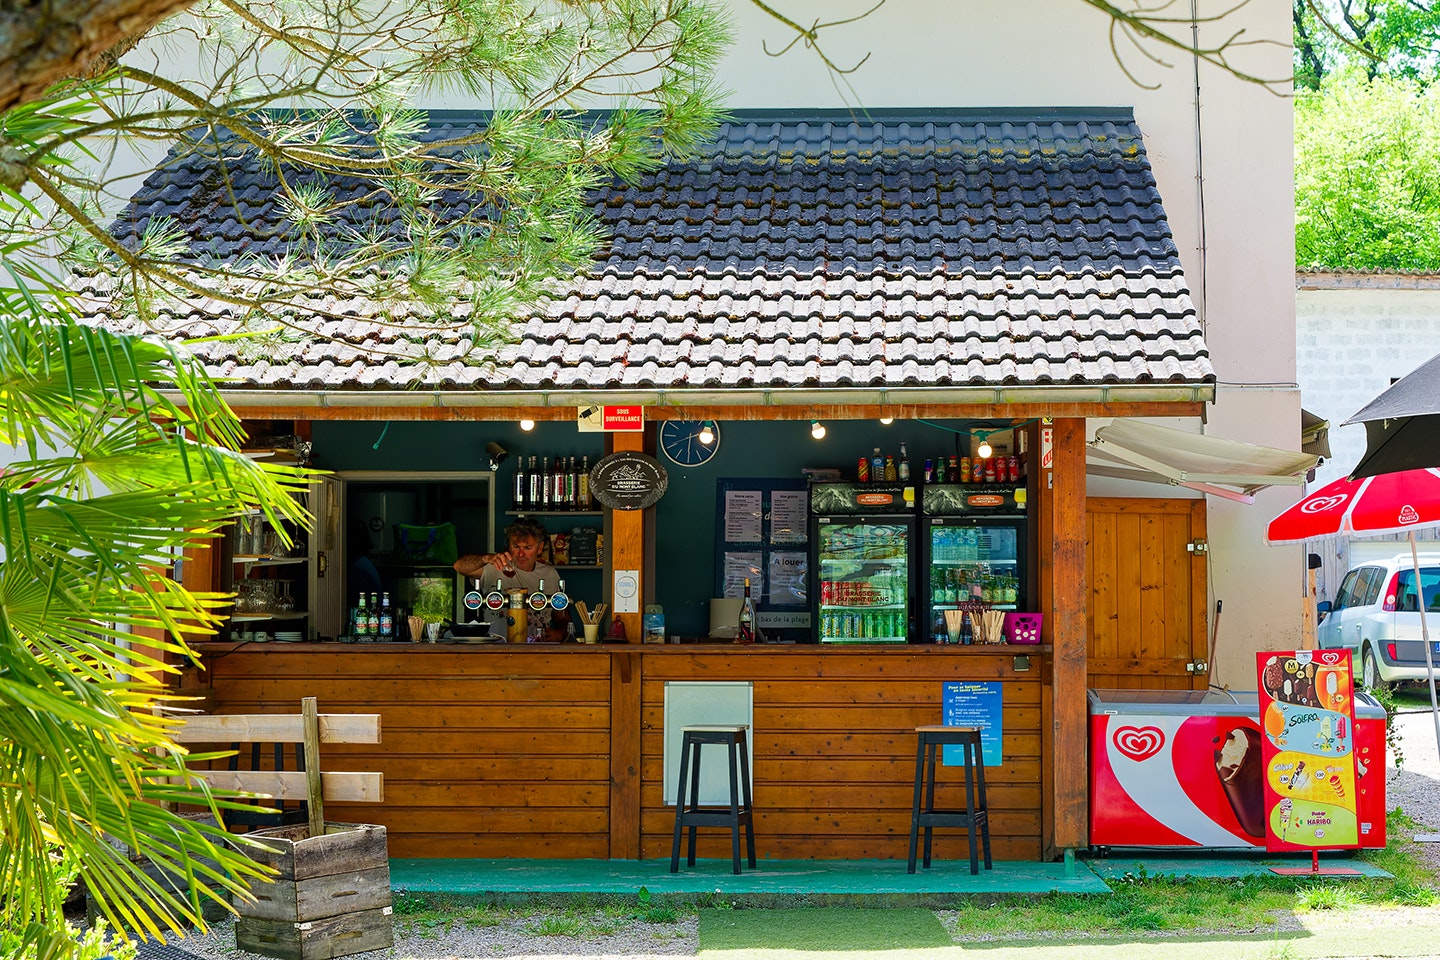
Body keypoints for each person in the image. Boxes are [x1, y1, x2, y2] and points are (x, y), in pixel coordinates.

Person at [455, 517, 571, 642]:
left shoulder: (550, 574)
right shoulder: (495, 567)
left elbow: (562, 617)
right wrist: (485, 559)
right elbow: (459, 566)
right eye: (516, 546)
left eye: (528, 548)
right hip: (497, 648)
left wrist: (560, 633)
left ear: (539, 548)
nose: (521, 554)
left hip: (537, 651)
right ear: (508, 545)